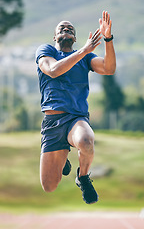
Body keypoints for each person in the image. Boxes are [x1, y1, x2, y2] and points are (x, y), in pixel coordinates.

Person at [35, 11, 116, 204]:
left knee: (87, 141)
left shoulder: (86, 58)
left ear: (75, 38)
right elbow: (53, 70)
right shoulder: (46, 51)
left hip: (75, 119)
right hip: (53, 122)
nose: (66, 29)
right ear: (55, 37)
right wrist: (84, 50)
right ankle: (64, 155)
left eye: (70, 29)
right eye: (62, 28)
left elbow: (109, 68)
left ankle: (83, 177)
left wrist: (108, 39)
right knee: (49, 186)